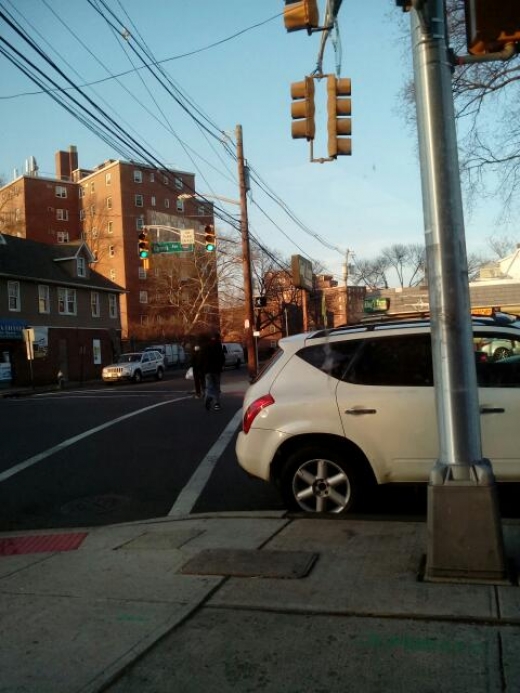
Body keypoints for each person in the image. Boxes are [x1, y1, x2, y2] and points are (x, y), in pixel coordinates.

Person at [201, 332, 225, 411]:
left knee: (209, 386)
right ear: (218, 338)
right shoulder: (218, 345)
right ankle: (216, 404)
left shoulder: (205, 346)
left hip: (207, 370)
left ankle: (208, 396)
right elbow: (221, 357)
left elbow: (202, 358)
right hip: (216, 369)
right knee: (217, 386)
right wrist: (222, 365)